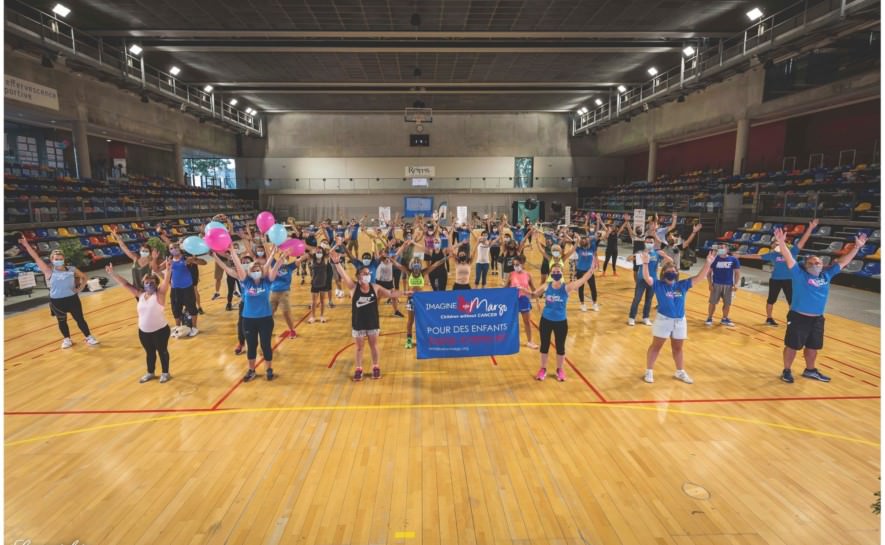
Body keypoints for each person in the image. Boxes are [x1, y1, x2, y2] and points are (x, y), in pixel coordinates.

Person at [772, 228, 867, 383]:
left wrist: (857, 247)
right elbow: (789, 258)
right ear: (806, 265)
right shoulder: (799, 274)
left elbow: (843, 261)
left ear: (822, 265)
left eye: (818, 262)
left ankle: (810, 370)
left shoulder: (826, 275)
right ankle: (787, 370)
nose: (815, 264)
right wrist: (782, 243)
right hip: (798, 317)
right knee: (792, 346)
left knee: (813, 346)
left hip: (817, 319)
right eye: (812, 262)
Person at [639, 249, 715, 384]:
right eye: (669, 270)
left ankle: (680, 371)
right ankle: (649, 371)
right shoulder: (658, 284)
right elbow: (647, 278)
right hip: (664, 320)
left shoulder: (682, 285)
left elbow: (699, 277)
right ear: (664, 273)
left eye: (674, 271)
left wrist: (708, 263)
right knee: (656, 346)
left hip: (680, 321)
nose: (672, 272)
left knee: (678, 348)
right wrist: (645, 264)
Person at [331, 251, 409, 380]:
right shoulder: (353, 287)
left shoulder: (375, 287)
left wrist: (405, 293)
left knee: (374, 345)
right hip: (358, 322)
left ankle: (376, 366)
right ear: (359, 276)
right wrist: (337, 263)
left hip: (372, 321)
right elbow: (343, 275)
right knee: (359, 347)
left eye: (368, 274)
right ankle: (359, 368)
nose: (367, 275)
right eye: (365, 273)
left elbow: (390, 293)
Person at [214, 249, 288, 382]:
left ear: (262, 271)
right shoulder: (245, 282)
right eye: (253, 270)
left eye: (258, 269)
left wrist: (280, 257)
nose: (255, 271)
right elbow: (237, 265)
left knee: (266, 345)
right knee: (251, 345)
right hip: (248, 320)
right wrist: (232, 252)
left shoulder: (267, 282)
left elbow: (273, 267)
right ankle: (251, 370)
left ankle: (268, 369)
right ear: (248, 272)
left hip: (265, 319)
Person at [19, 238, 99, 349]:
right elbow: (36, 257)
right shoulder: (48, 271)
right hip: (57, 301)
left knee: (80, 319)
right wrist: (26, 244)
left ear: (64, 259)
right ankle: (67, 339)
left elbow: (84, 277)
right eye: (56, 259)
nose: (59, 260)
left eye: (61, 259)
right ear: (52, 259)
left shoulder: (71, 269)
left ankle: (89, 337)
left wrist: (79, 289)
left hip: (72, 299)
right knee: (62, 321)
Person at [106, 259, 173, 383]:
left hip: (160, 331)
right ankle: (150, 372)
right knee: (149, 352)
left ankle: (165, 372)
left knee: (162, 351)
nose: (149, 284)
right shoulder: (140, 295)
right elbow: (125, 284)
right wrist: (112, 273)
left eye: (152, 282)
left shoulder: (160, 294)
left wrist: (168, 270)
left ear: (156, 284)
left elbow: (165, 282)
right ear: (144, 284)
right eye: (147, 282)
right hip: (143, 331)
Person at [742, 219, 816, 326]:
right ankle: (769, 318)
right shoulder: (773, 255)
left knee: (791, 301)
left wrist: (810, 228)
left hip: (789, 280)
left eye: (777, 243)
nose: (775, 246)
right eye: (773, 245)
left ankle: (791, 319)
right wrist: (739, 255)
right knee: (771, 300)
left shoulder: (792, 252)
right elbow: (755, 256)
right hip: (775, 280)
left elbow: (802, 241)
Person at [528, 264, 595, 381]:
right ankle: (543, 369)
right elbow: (534, 295)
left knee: (560, 347)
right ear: (550, 274)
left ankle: (560, 370)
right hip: (546, 321)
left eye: (558, 271)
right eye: (553, 272)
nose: (556, 273)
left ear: (562, 273)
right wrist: (522, 291)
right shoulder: (546, 286)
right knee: (544, 346)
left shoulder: (566, 288)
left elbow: (582, 280)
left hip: (561, 322)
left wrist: (590, 271)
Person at [392, 246, 448, 349]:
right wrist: (390, 259)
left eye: (418, 265)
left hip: (421, 301)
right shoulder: (409, 273)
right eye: (415, 265)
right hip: (411, 300)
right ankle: (409, 340)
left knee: (422, 321)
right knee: (410, 321)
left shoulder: (423, 273)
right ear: (412, 266)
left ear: (420, 266)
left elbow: (435, 264)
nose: (416, 267)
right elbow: (398, 265)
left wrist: (447, 258)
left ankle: (422, 339)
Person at [627, 234, 672, 326]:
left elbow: (670, 260)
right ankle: (632, 317)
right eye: (647, 242)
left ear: (654, 243)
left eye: (650, 242)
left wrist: (665, 256)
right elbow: (628, 259)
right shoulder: (641, 252)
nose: (648, 244)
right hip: (641, 279)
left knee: (649, 299)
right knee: (637, 299)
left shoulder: (657, 253)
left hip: (653, 280)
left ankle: (645, 317)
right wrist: (636, 255)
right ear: (644, 243)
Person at [167, 241, 201, 337]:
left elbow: (204, 262)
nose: (173, 249)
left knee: (191, 308)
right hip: (175, 289)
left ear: (179, 248)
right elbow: (156, 269)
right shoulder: (169, 261)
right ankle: (177, 327)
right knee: (176, 309)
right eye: (171, 248)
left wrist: (195, 260)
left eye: (175, 247)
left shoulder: (186, 259)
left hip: (187, 288)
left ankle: (194, 328)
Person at [268, 246, 303, 339]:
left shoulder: (290, 267)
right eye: (282, 257)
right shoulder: (274, 264)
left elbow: (301, 259)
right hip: (272, 292)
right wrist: (271, 247)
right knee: (269, 313)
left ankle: (292, 330)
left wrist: (300, 250)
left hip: (284, 293)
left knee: (286, 313)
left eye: (286, 257)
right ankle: (268, 331)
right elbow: (269, 255)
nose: (284, 259)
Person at [110, 225, 158, 291]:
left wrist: (154, 258)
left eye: (146, 251)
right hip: (136, 289)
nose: (144, 252)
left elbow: (155, 269)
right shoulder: (135, 258)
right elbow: (124, 247)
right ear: (140, 251)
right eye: (142, 250)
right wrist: (117, 236)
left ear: (149, 252)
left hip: (148, 289)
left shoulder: (151, 261)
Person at [505, 255, 538, 349]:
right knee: (511, 322)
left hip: (524, 300)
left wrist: (537, 300)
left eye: (517, 264)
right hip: (513, 300)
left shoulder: (528, 275)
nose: (515, 266)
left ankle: (530, 341)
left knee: (527, 322)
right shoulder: (511, 274)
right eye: (514, 265)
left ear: (522, 264)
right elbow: (505, 288)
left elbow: (534, 290)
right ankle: (509, 341)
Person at [705, 244, 741, 327]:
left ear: (727, 250)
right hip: (716, 284)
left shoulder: (733, 259)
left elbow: (737, 273)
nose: (720, 249)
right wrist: (710, 284)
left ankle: (724, 319)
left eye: (722, 248)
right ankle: (709, 318)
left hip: (728, 285)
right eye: (719, 248)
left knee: (727, 303)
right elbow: (708, 273)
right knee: (712, 302)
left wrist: (735, 284)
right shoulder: (714, 259)